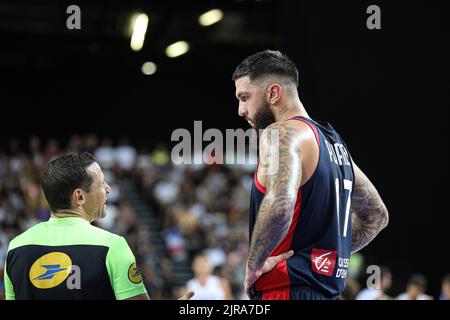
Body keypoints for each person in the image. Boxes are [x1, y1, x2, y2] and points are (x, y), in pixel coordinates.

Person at [232, 50, 389, 300]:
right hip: (329, 293)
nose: (241, 109)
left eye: (245, 97)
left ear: (273, 93)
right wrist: (328, 256)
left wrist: (254, 266)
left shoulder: (280, 133)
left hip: (286, 290)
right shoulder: (334, 145)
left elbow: (281, 205)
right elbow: (377, 216)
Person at [3, 152, 193, 300]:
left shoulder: (16, 248)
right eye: (101, 183)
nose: (108, 188)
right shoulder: (112, 246)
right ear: (79, 196)